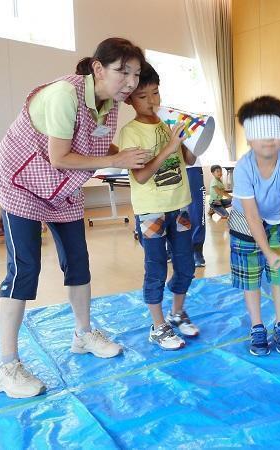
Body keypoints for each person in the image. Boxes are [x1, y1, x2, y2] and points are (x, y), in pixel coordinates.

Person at [0, 38, 151, 399]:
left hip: (61, 187)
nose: (130, 82)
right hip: (22, 180)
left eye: (136, 74)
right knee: (24, 268)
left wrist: (126, 153)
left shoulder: (110, 103)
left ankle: (82, 334)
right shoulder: (65, 94)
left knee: (78, 260)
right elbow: (60, 156)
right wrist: (118, 160)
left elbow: (91, 145)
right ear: (97, 68)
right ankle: (4, 366)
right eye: (122, 71)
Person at [120, 62, 199, 351]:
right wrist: (168, 147)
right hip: (151, 210)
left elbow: (189, 160)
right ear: (129, 99)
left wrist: (189, 138)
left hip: (178, 205)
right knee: (156, 269)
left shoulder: (169, 124)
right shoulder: (131, 133)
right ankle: (158, 326)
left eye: (155, 93)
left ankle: (177, 312)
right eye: (143, 96)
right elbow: (140, 176)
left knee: (186, 265)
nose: (152, 101)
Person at [228, 95, 280, 356]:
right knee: (251, 278)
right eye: (261, 131)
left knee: (279, 275)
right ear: (248, 136)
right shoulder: (244, 168)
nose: (269, 138)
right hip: (246, 222)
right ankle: (257, 325)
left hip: (278, 219)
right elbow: (251, 214)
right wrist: (268, 252)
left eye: (274, 130)